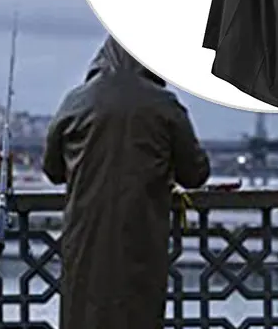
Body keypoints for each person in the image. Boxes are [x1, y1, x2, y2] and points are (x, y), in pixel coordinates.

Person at [43, 36, 211, 329]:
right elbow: (195, 173)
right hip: (141, 238)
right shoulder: (164, 105)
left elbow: (53, 169)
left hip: (84, 238)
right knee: (138, 312)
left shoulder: (75, 101)